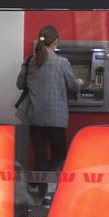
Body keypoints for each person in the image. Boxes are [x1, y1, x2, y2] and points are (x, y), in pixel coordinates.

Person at [16, 25, 82, 205]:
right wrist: (79, 81)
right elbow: (73, 87)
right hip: (56, 118)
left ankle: (42, 193)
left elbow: (20, 84)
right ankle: (54, 189)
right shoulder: (62, 62)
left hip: (36, 116)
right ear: (56, 41)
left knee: (39, 155)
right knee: (59, 155)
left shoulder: (30, 61)